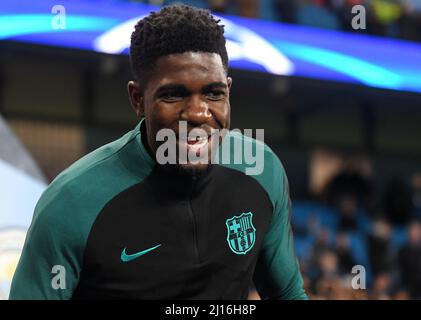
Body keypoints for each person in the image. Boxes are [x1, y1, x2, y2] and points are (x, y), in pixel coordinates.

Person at [9, 5, 307, 300]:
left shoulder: (261, 170)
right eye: (174, 94)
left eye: (214, 93)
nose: (198, 113)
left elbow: (288, 294)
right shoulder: (71, 203)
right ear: (138, 98)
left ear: (228, 90)